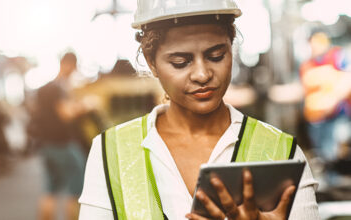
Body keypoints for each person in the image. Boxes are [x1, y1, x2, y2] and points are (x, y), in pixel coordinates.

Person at [79, 1, 319, 219]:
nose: (202, 74)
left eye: (216, 56)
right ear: (152, 63)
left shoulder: (282, 152)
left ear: (231, 48)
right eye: (180, 63)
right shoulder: (112, 152)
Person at [28, 52, 86, 220]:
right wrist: (85, 106)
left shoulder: (44, 88)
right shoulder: (59, 87)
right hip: (63, 144)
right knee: (76, 191)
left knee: (49, 191)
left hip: (45, 144)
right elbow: (66, 114)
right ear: (69, 64)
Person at [300, 31, 351, 162]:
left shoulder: (337, 56)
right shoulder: (307, 64)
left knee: (334, 154)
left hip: (337, 117)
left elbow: (347, 80)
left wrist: (333, 101)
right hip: (316, 120)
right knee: (321, 154)